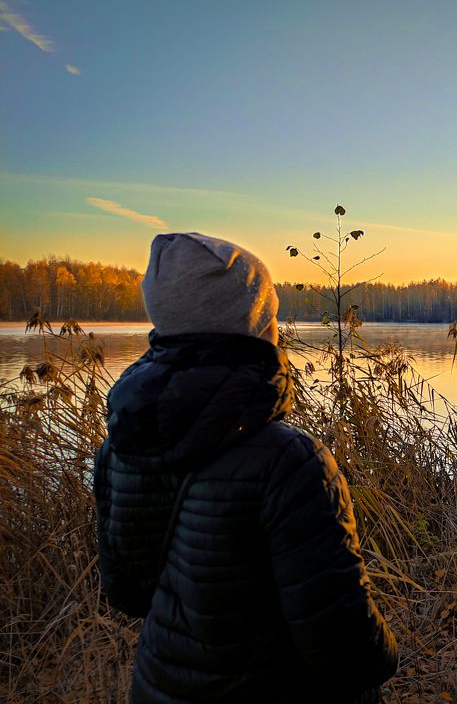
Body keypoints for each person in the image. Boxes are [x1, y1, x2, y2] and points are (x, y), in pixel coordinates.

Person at [94, 233, 397, 703]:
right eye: (270, 314)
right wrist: (387, 656)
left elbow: (128, 595)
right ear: (253, 324)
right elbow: (344, 644)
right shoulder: (290, 462)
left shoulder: (121, 446)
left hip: (161, 687)